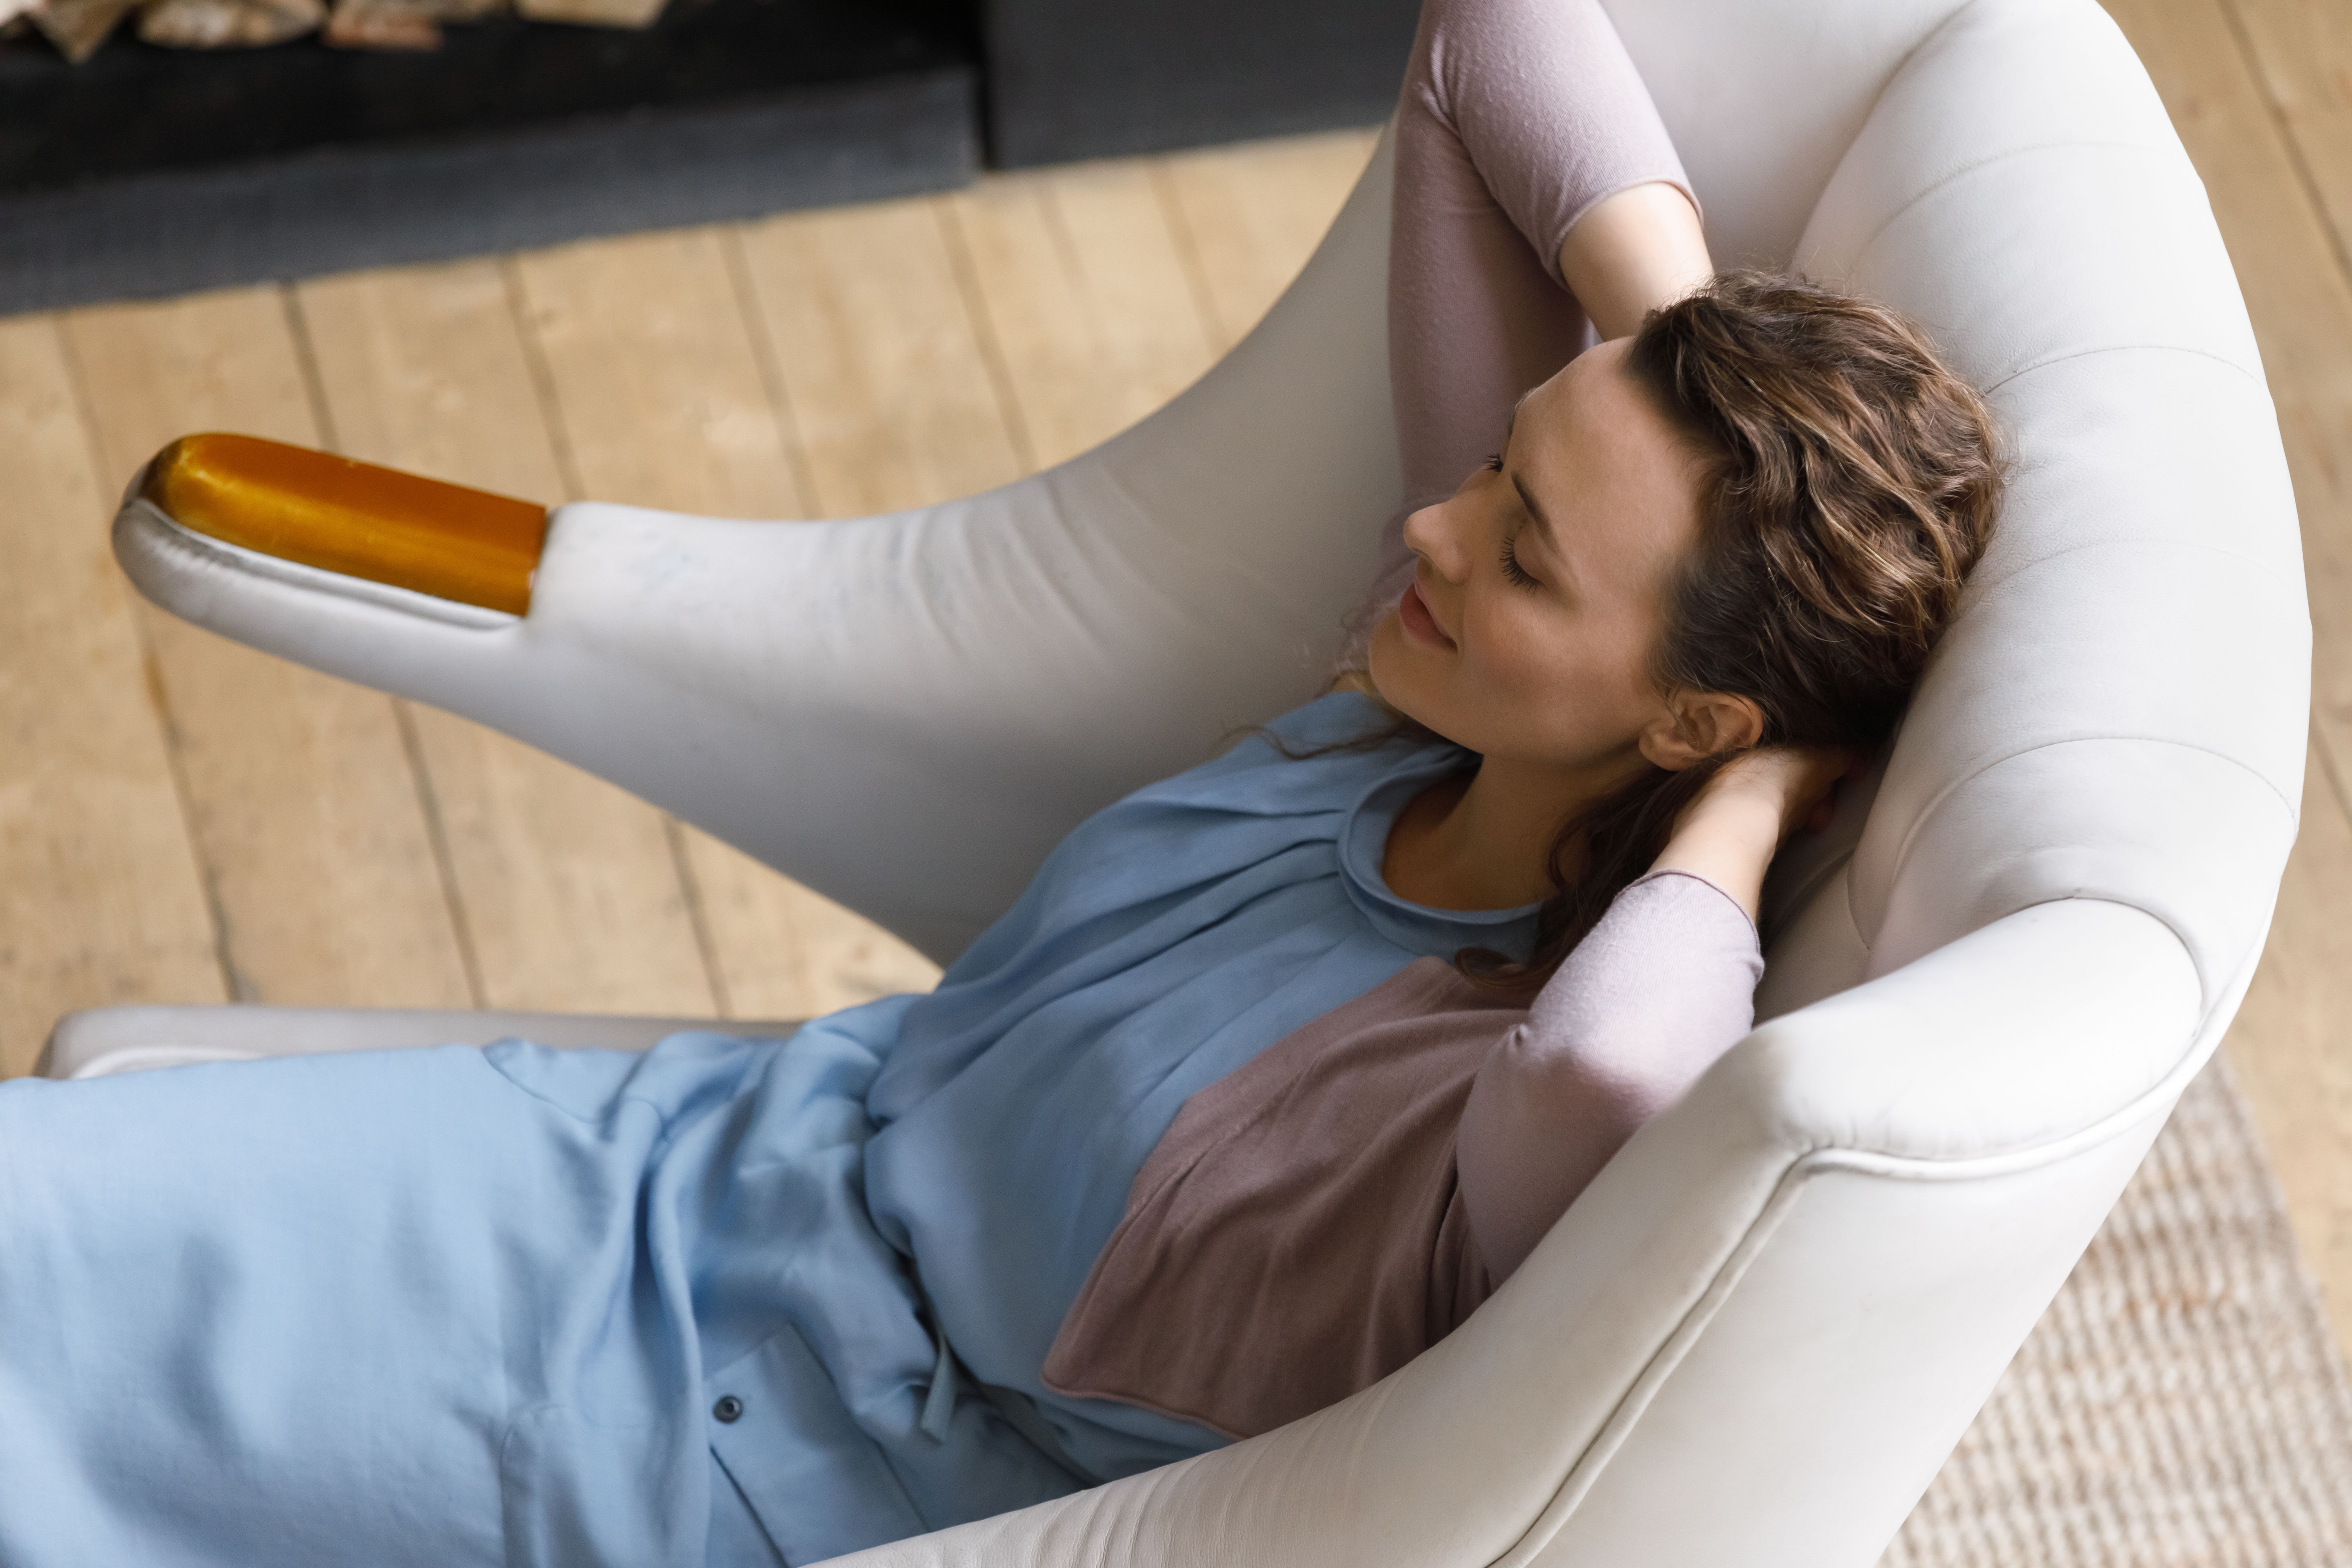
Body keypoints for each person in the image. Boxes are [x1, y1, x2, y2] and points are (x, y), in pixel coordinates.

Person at [0, 1, 2000, 1564]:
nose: (1432, 522)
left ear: (1691, 726)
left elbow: (1619, 1073)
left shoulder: (1511, 1104)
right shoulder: (1420, 703)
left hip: (699, 1482)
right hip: (643, 1173)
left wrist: (1763, 778)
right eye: (1501, 469)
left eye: (1528, 549)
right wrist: (1695, 380)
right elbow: (1490, 38)